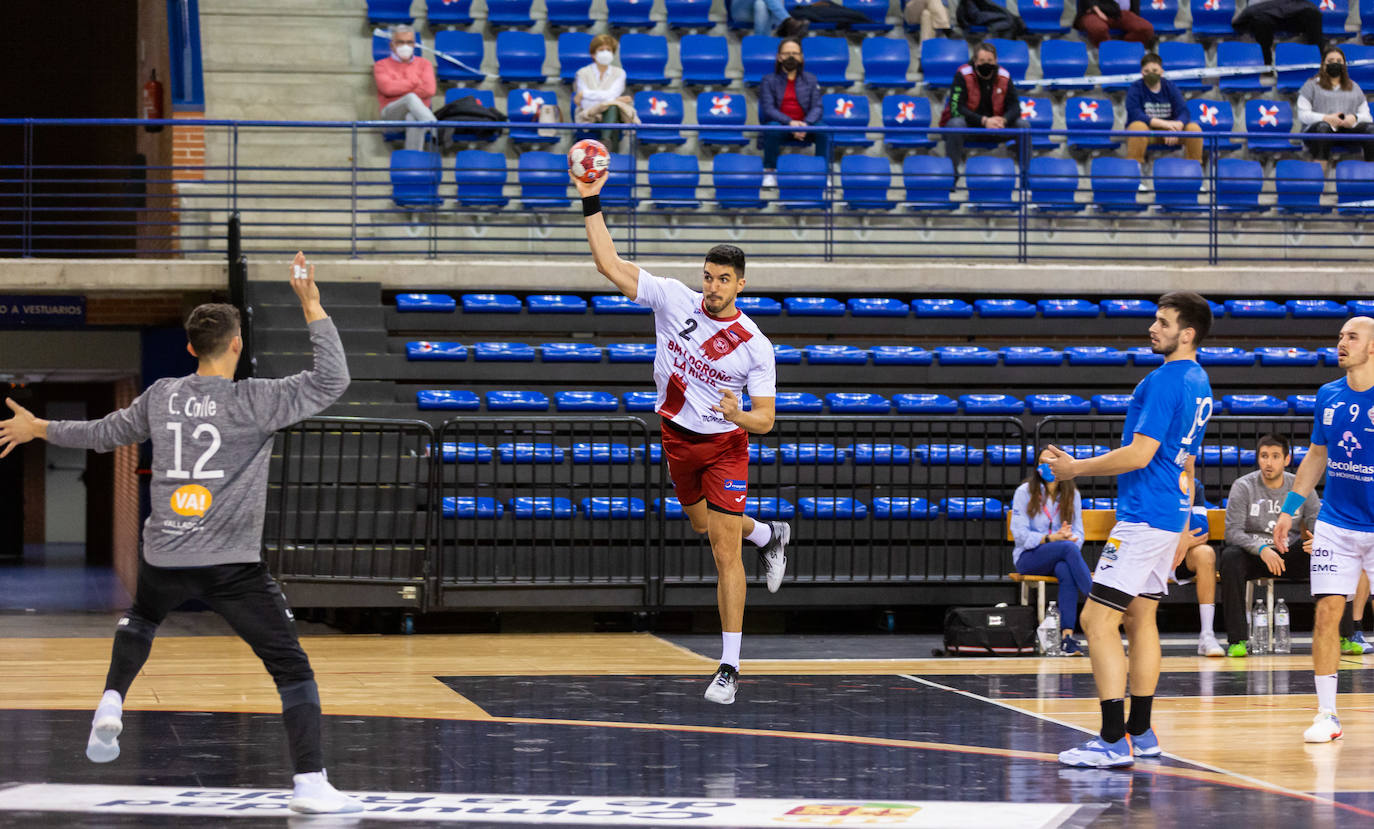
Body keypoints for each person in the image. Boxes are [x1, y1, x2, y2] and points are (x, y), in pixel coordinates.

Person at [0, 253, 360, 814]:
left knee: (143, 618)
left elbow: (101, 433)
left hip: (164, 552)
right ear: (235, 346)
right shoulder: (257, 399)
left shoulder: (162, 394)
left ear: (191, 348)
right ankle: (311, 783)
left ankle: (112, 699)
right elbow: (332, 379)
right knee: (290, 666)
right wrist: (310, 303)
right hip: (232, 564)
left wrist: (38, 426)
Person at [572, 166, 791, 706]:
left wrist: (737, 415)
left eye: (723, 280)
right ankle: (768, 535)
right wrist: (591, 198)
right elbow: (608, 265)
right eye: (708, 276)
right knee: (703, 525)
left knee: (722, 553)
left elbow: (766, 421)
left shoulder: (754, 345)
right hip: (676, 438)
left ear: (741, 284)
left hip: (724, 446)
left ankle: (730, 666)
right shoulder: (673, 299)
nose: (712, 287)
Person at [1048, 291, 1214, 768]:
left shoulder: (1166, 380)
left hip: (1144, 517)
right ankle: (1140, 732)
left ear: (1187, 333)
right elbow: (1187, 459)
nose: (1152, 328)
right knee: (1142, 620)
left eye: (1162, 322)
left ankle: (1110, 740)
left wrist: (1076, 469)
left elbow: (1141, 454)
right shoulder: (1200, 380)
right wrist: (1184, 521)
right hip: (1167, 514)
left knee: (1095, 622)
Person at [1274, 316, 1374, 743]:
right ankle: (1327, 715)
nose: (1341, 342)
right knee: (1326, 613)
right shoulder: (1328, 395)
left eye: (1352, 336)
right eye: (1340, 336)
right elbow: (1316, 456)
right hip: (1335, 521)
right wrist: (1289, 511)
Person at [1219, 434, 1321, 657]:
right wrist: (1262, 549)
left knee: (1327, 555)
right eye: (1264, 456)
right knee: (1229, 557)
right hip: (1255, 556)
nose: (1268, 462)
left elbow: (1316, 523)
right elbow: (1232, 532)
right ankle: (1237, 640)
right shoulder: (1243, 486)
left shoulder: (1300, 487)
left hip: (1288, 554)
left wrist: (1318, 542)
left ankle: (1342, 635)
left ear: (1286, 459)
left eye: (1275, 456)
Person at [1010, 449, 1090, 656]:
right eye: (1042, 461)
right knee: (1067, 549)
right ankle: (1096, 600)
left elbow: (1079, 532)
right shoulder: (1024, 492)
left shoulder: (1072, 494)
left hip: (1061, 553)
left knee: (1066, 569)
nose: (1046, 465)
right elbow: (1019, 534)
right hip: (1029, 556)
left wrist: (1070, 537)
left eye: (1051, 461)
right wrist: (1050, 539)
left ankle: (1067, 638)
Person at [758, 38, 831, 189]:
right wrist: (790, 123)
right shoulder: (768, 80)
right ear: (779, 57)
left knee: (824, 130)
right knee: (771, 127)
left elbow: (817, 107)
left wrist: (805, 124)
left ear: (801, 57)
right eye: (786, 53)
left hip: (806, 126)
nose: (791, 57)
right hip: (781, 126)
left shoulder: (810, 79)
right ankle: (770, 172)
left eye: (795, 53)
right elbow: (768, 109)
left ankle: (822, 173)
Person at [939, 41, 1023, 170]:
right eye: (982, 60)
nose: (986, 64)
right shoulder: (963, 74)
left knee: (1023, 126)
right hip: (971, 127)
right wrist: (983, 121)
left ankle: (1026, 177)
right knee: (955, 124)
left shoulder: (1004, 75)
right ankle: (952, 177)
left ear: (996, 60)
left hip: (996, 127)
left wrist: (1004, 119)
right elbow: (956, 108)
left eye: (990, 60)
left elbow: (1015, 107)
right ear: (975, 61)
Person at [1298, 47, 1374, 170]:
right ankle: (1318, 182)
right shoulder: (1310, 86)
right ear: (1323, 65)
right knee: (1323, 127)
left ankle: (1371, 177)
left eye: (1339, 61)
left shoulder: (1354, 87)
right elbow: (1303, 115)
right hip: (1318, 132)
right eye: (1331, 61)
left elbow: (1367, 117)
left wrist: (1354, 118)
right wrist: (1326, 118)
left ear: (1344, 65)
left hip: (1346, 132)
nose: (1335, 64)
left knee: (1371, 129)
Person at [1124, 53, 1204, 169]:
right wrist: (1166, 125)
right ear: (1141, 72)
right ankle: (1135, 172)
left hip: (1171, 134)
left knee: (1194, 129)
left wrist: (1177, 126)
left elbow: (1184, 111)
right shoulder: (1135, 88)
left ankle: (1195, 171)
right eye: (1147, 71)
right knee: (1137, 127)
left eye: (1155, 70)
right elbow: (1135, 114)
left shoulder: (1170, 87)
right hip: (1149, 133)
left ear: (1162, 71)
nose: (1151, 74)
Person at [373, 24, 438, 152]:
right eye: (401, 42)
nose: (405, 46)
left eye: (409, 42)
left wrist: (400, 84)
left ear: (414, 44)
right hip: (392, 116)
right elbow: (387, 88)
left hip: (417, 114)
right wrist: (415, 82)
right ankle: (435, 128)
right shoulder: (381, 65)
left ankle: (413, 162)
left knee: (412, 117)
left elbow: (430, 90)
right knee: (410, 97)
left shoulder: (425, 64)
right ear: (392, 45)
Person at [1172, 506, 1224, 656]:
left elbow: (1201, 532)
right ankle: (1137, 637)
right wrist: (1179, 538)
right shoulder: (1150, 485)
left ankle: (1207, 635)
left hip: (1180, 555)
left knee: (1205, 553)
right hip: (1153, 552)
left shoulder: (1193, 486)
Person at [574, 35, 638, 152]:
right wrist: (614, 100)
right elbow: (585, 103)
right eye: (601, 50)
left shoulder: (620, 73)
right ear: (593, 54)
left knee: (612, 107)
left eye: (608, 50)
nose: (605, 53)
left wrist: (585, 93)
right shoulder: (582, 73)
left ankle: (605, 141)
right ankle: (606, 145)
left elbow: (611, 94)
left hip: (612, 114)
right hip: (588, 113)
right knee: (613, 104)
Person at [1233, 0, 1321, 66]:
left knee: (1312, 14)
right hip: (1264, 13)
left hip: (1290, 10)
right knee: (1261, 22)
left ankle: (1317, 57)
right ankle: (1267, 64)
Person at [1074, 0, 1154, 46]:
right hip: (1093, 12)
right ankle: (1107, 52)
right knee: (1098, 28)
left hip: (1121, 13)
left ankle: (1125, 50)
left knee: (1145, 28)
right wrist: (1096, 9)